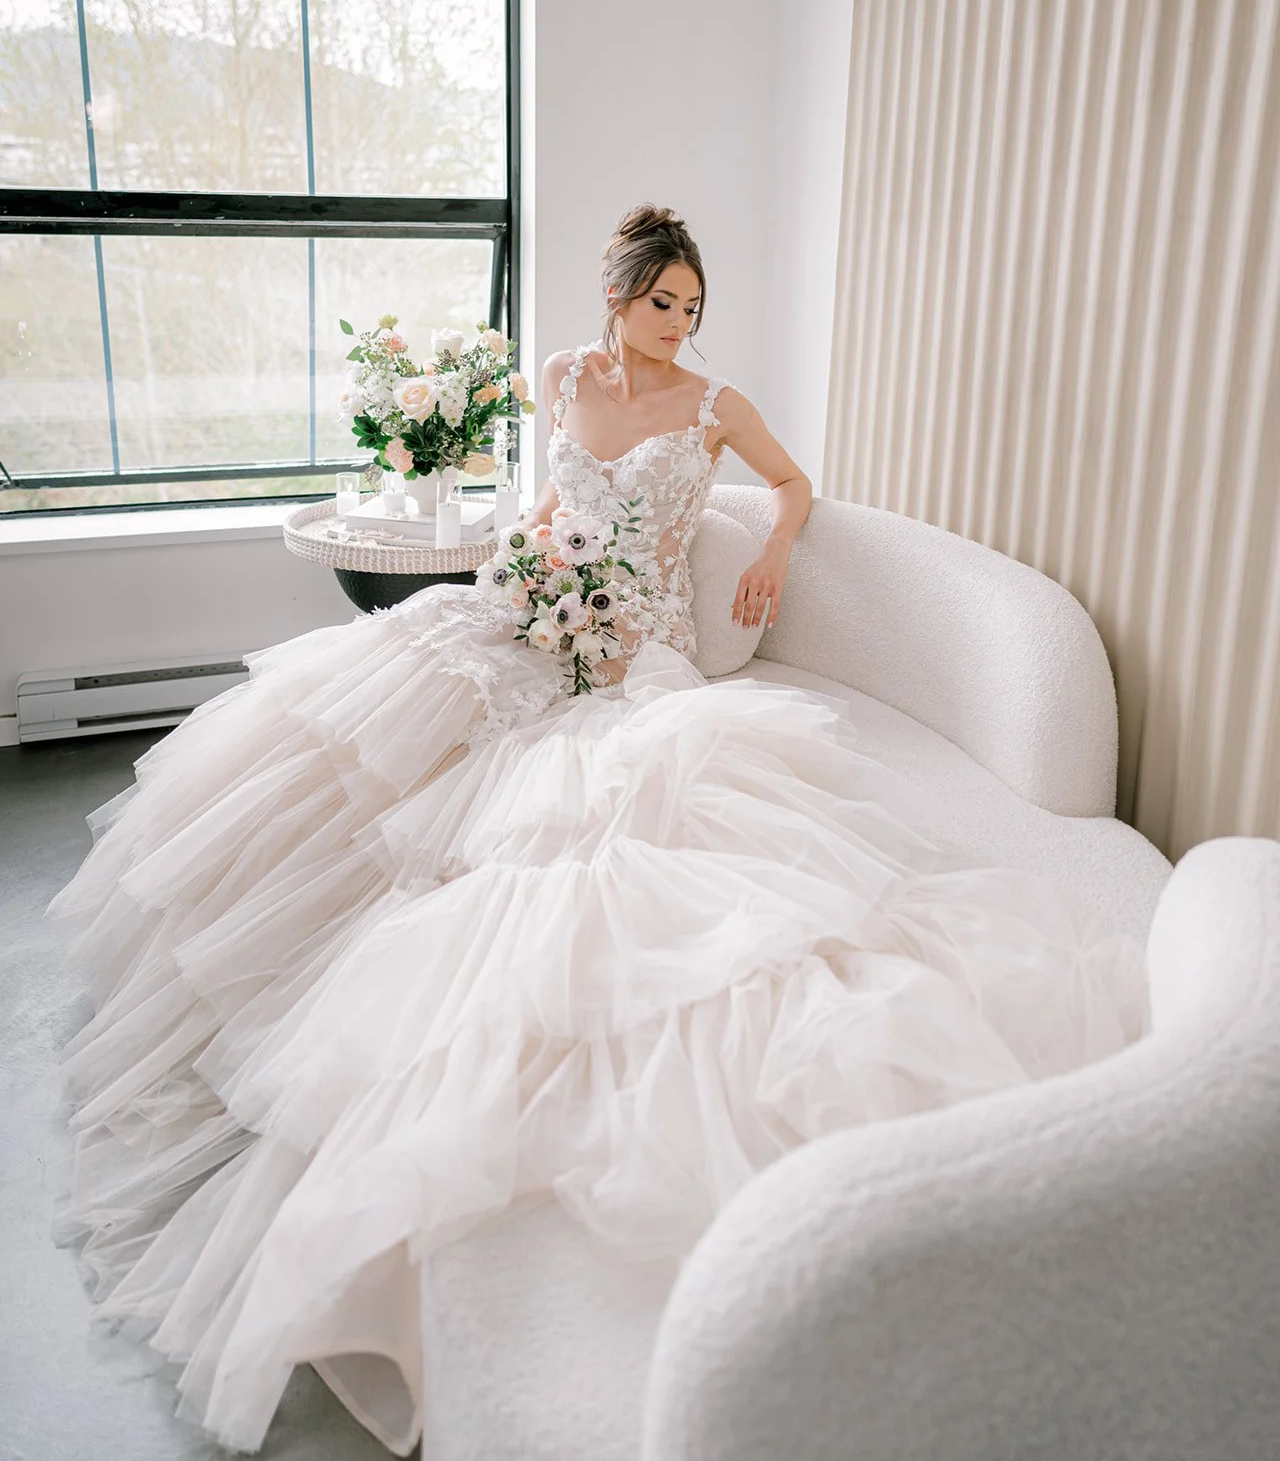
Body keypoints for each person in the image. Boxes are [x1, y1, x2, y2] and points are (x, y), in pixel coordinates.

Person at [48, 204, 1147, 1457]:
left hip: (642, 658)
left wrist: (772, 555)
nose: (677, 324)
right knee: (377, 724)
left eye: (692, 307)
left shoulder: (715, 403)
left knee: (593, 833)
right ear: (616, 296)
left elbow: (793, 484)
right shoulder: (562, 378)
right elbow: (537, 506)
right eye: (661, 301)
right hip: (532, 616)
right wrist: (524, 568)